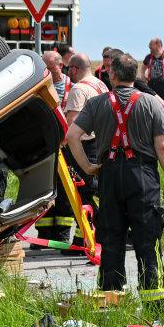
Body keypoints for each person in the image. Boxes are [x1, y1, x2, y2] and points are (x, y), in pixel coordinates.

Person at [67, 53, 164, 308]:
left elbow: (73, 135)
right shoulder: (151, 103)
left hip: (110, 175)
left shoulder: (96, 103)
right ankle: (155, 303)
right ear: (135, 75)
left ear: (112, 75)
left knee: (111, 238)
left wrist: (88, 167)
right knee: (147, 239)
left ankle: (111, 301)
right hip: (143, 177)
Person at [37, 52, 110, 243]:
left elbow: (72, 123)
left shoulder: (78, 89)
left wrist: (62, 144)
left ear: (74, 69)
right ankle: (83, 238)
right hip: (98, 143)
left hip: (82, 147)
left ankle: (85, 238)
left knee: (79, 192)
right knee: (88, 191)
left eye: (69, 68)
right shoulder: (99, 84)